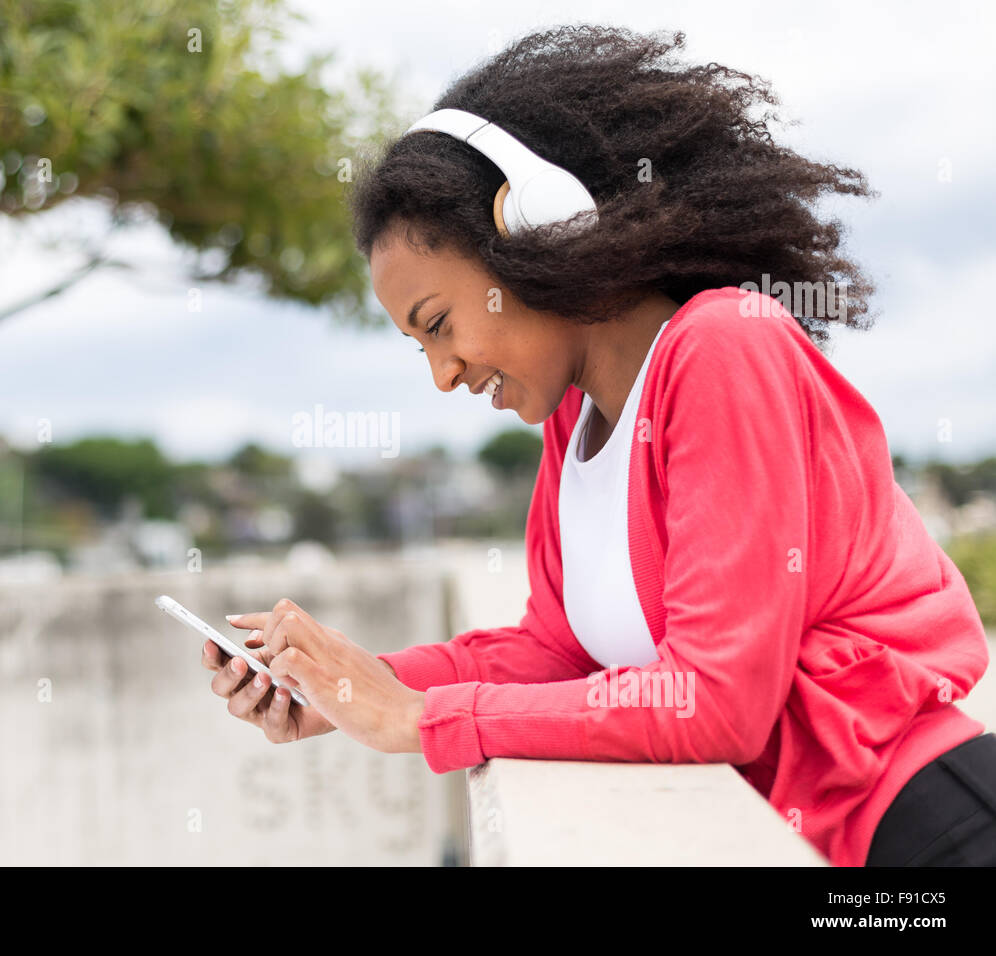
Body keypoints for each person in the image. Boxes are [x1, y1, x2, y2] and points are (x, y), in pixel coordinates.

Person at [199, 24, 996, 867]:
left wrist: (422, 721)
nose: (442, 373)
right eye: (419, 345)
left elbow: (716, 702)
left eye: (440, 325)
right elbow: (556, 654)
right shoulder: (574, 421)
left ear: (539, 224)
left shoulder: (724, 346)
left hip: (931, 832)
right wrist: (351, 687)